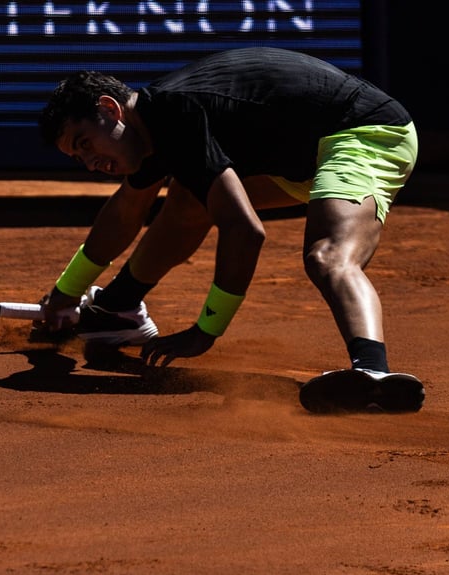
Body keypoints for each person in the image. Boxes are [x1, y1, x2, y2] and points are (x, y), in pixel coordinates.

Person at [36, 46, 425, 414]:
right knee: (190, 199)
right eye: (78, 156)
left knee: (327, 256)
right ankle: (118, 309)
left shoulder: (177, 112)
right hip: (300, 157)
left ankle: (374, 373)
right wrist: (65, 293)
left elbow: (245, 232)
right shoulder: (152, 128)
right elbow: (124, 214)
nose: (90, 163)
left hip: (365, 132)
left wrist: (205, 331)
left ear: (110, 109)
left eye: (86, 143)